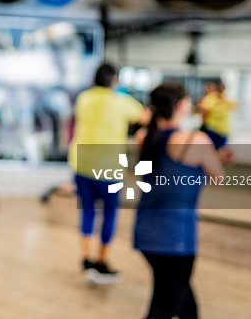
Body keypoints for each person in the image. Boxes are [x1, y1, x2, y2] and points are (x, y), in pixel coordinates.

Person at [134, 82, 225, 319]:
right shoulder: (195, 140)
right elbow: (219, 178)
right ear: (182, 105)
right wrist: (215, 158)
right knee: (163, 309)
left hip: (145, 231)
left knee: (184, 305)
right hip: (175, 237)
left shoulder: (144, 137)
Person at [67, 62, 150, 284]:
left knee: (87, 212)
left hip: (81, 162)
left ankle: (86, 258)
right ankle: (102, 260)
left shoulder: (83, 98)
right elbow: (145, 117)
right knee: (110, 214)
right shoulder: (121, 101)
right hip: (108, 168)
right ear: (114, 80)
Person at [196, 79, 237, 150]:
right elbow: (201, 107)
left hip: (223, 130)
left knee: (220, 152)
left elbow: (235, 106)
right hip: (212, 129)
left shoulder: (227, 98)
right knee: (210, 150)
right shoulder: (211, 98)